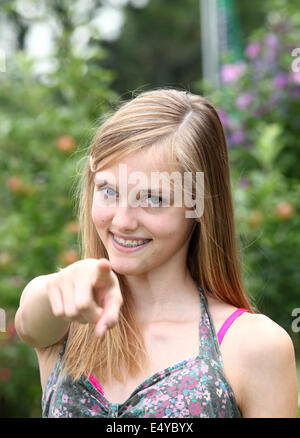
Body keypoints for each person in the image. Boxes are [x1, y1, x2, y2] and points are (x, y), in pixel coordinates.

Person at [15, 88, 298, 418]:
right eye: (108, 190)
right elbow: (30, 322)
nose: (122, 221)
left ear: (198, 207)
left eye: (152, 199)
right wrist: (60, 286)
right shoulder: (64, 315)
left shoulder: (253, 346)